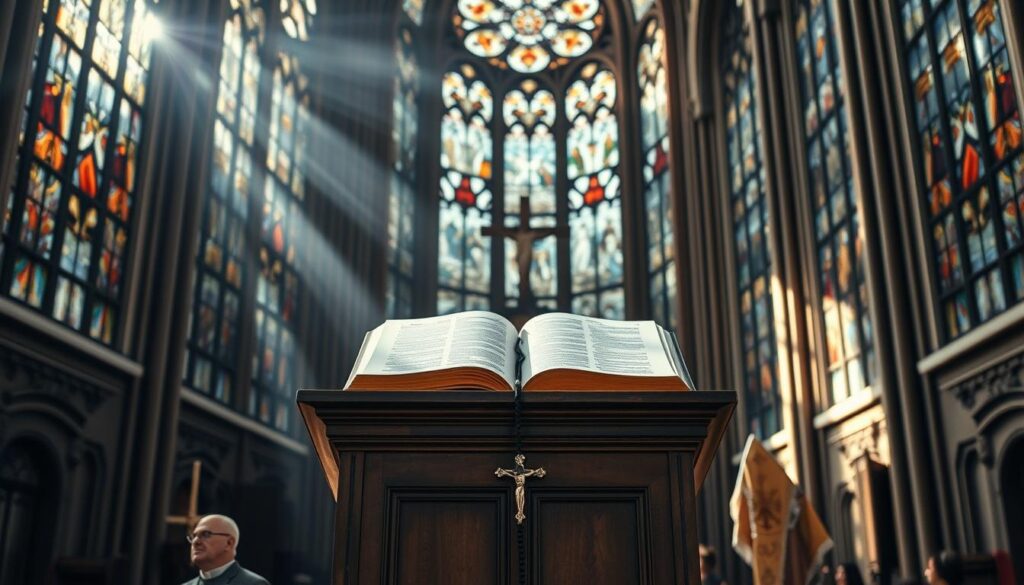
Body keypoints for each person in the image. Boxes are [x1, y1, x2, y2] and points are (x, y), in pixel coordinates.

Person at [182, 514, 270, 585]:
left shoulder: (254, 583)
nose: (195, 541)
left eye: (205, 534)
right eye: (193, 536)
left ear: (229, 543)